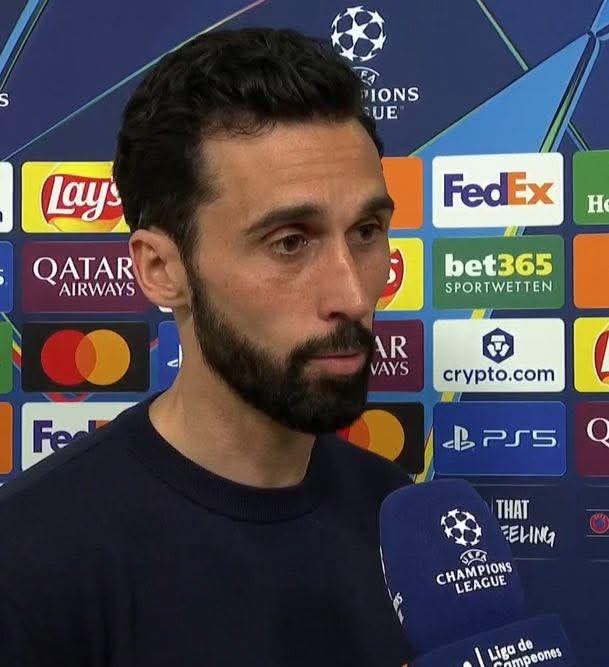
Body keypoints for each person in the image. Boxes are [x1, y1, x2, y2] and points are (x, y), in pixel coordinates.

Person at [0, 28, 412, 666]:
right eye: (290, 242)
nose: (354, 295)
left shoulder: (402, 520)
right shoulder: (28, 564)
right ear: (162, 269)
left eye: (365, 231)